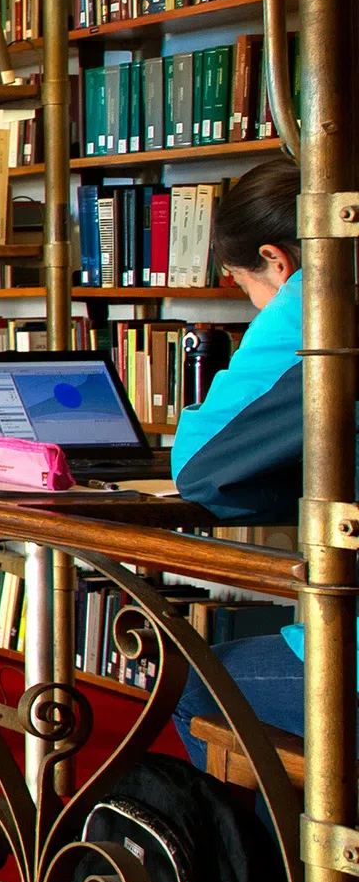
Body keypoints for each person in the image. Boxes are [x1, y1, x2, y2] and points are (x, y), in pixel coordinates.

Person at [169, 158, 314, 768]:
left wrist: (281, 314)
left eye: (246, 286)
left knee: (201, 687)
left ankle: (294, 866)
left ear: (276, 261)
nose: (255, 308)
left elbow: (201, 468)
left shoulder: (319, 304)